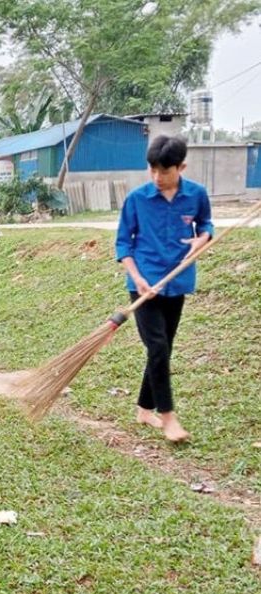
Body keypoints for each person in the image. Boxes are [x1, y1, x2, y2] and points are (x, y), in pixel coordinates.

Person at [115, 135, 212, 443]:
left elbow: (206, 224)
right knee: (157, 348)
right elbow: (122, 244)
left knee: (163, 349)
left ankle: (144, 409)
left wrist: (202, 238)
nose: (158, 177)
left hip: (178, 283)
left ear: (181, 166)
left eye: (165, 171)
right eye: (153, 170)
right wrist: (137, 277)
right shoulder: (137, 199)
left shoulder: (196, 195)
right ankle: (169, 417)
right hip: (144, 285)